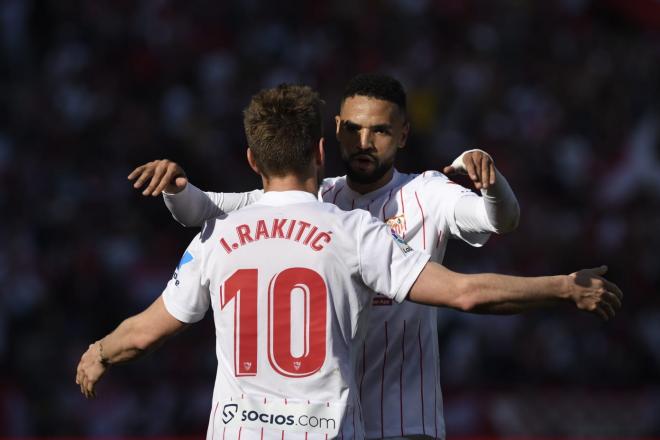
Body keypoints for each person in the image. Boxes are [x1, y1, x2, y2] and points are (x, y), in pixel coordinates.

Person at [79, 84, 621, 439]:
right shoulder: (349, 228)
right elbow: (465, 293)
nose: (365, 142)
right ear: (323, 147)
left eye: (381, 130)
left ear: (251, 160)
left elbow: (148, 329)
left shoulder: (223, 234)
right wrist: (563, 287)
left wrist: (100, 352)